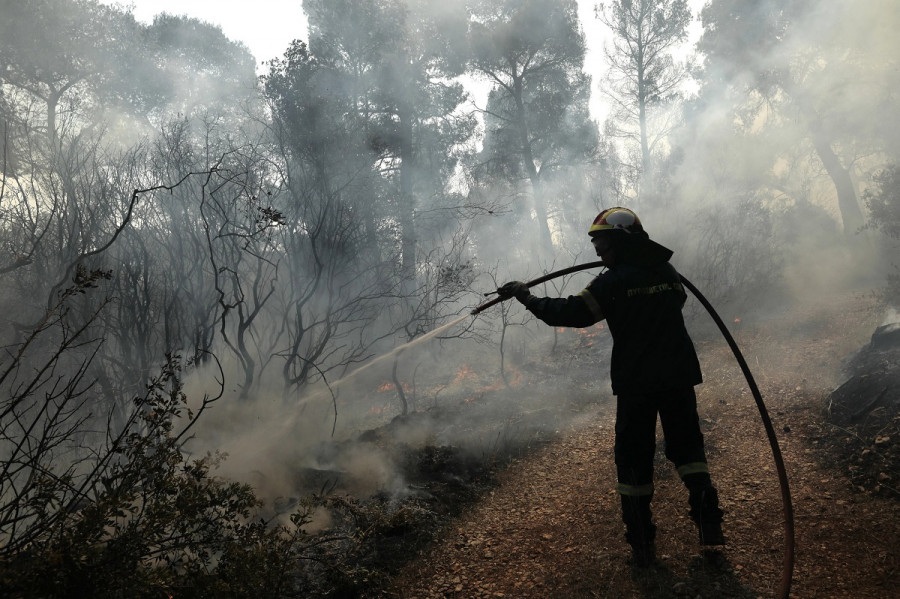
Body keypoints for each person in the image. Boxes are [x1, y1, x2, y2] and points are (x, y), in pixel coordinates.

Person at [497, 207, 724, 567]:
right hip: (678, 374)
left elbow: (571, 313)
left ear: (620, 240)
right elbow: (676, 301)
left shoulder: (613, 282)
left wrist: (527, 298)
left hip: (637, 381)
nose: (598, 252)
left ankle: (642, 544)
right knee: (688, 448)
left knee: (633, 459)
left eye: (601, 243)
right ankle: (709, 525)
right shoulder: (665, 271)